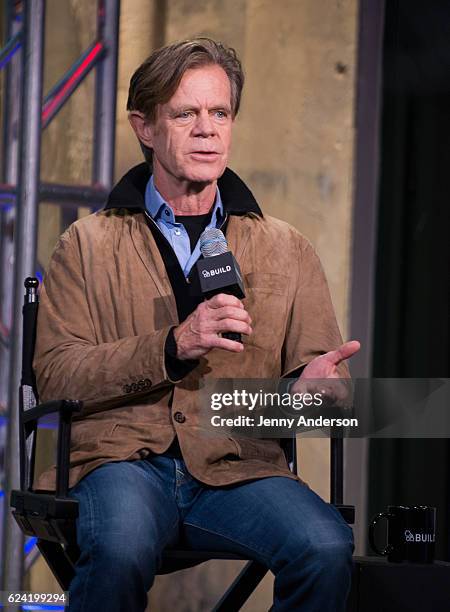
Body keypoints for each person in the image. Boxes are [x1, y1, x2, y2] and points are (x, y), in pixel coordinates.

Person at [34, 38, 360, 611]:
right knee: (119, 546)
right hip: (121, 462)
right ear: (146, 126)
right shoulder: (85, 244)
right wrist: (170, 344)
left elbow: (319, 388)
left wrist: (315, 395)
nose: (207, 129)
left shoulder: (287, 248)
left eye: (220, 112)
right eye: (185, 113)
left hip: (239, 466)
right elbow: (58, 376)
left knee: (325, 544)